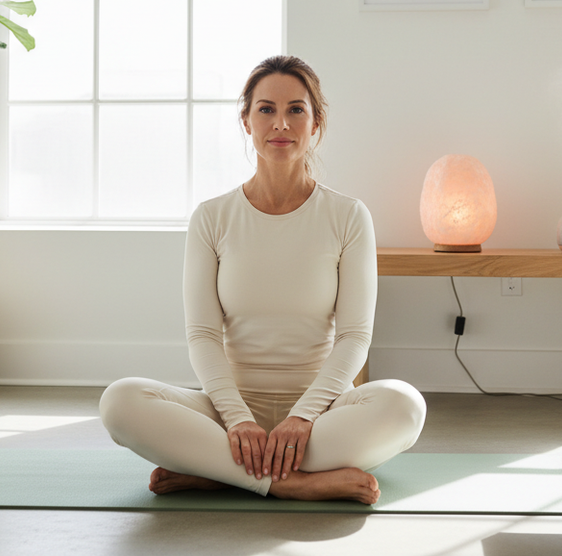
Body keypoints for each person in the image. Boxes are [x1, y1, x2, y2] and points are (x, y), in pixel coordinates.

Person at [99, 55, 426, 504]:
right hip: (228, 413)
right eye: (266, 109)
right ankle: (294, 483)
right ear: (247, 121)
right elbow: (202, 335)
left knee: (405, 404)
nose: (281, 124)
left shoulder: (348, 216)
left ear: (316, 125)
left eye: (296, 109)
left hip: (322, 416)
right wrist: (237, 420)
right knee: (120, 401)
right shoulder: (212, 217)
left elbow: (354, 336)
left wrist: (304, 416)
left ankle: (219, 472)